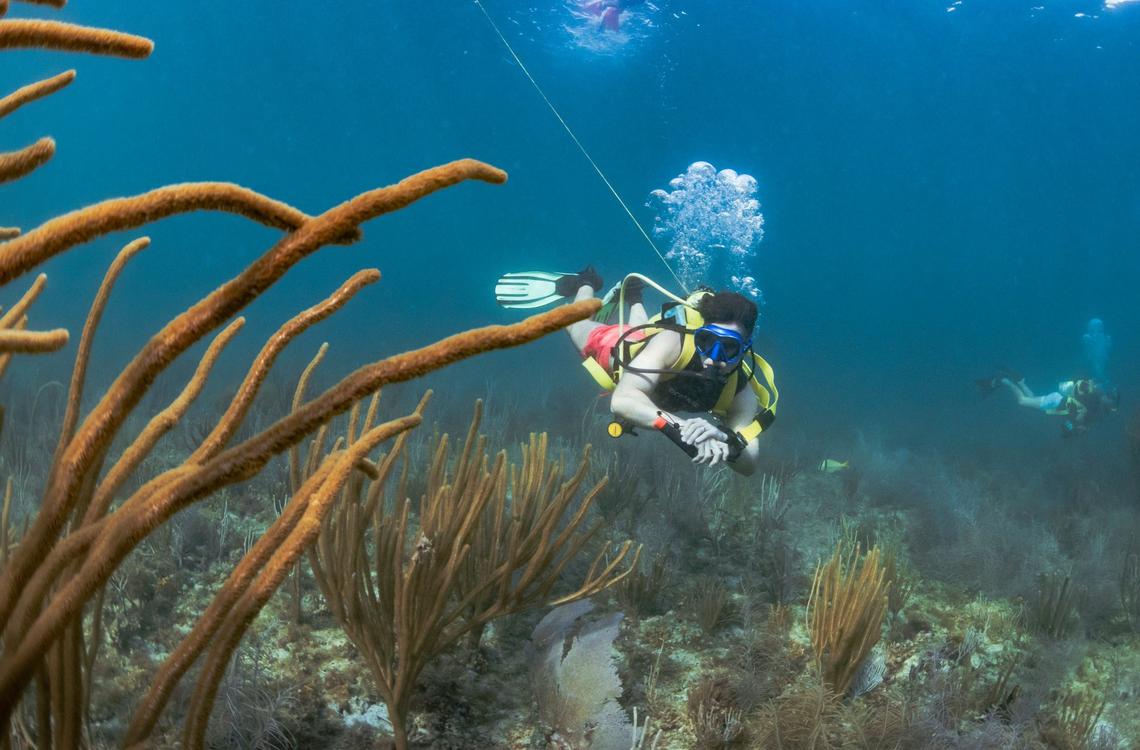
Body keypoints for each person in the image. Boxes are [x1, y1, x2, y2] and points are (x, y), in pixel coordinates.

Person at [496, 266, 778, 474]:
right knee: (577, 327)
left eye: (728, 348)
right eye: (706, 342)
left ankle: (634, 298)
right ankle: (585, 282)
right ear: (697, 336)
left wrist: (726, 440)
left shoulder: (740, 391)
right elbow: (623, 400)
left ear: (744, 349)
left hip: (649, 364)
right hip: (626, 353)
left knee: (637, 337)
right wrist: (681, 429)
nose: (714, 358)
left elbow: (749, 463)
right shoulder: (673, 342)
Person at [978, 368, 1120, 437]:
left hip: (1057, 398)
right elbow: (1077, 416)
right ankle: (1005, 381)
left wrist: (1078, 426)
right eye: (1111, 402)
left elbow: (1078, 413)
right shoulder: (1094, 401)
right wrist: (1078, 427)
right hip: (1057, 403)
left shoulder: (1094, 398)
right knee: (1022, 401)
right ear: (1108, 397)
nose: (1109, 406)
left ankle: (1021, 381)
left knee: (1031, 398)